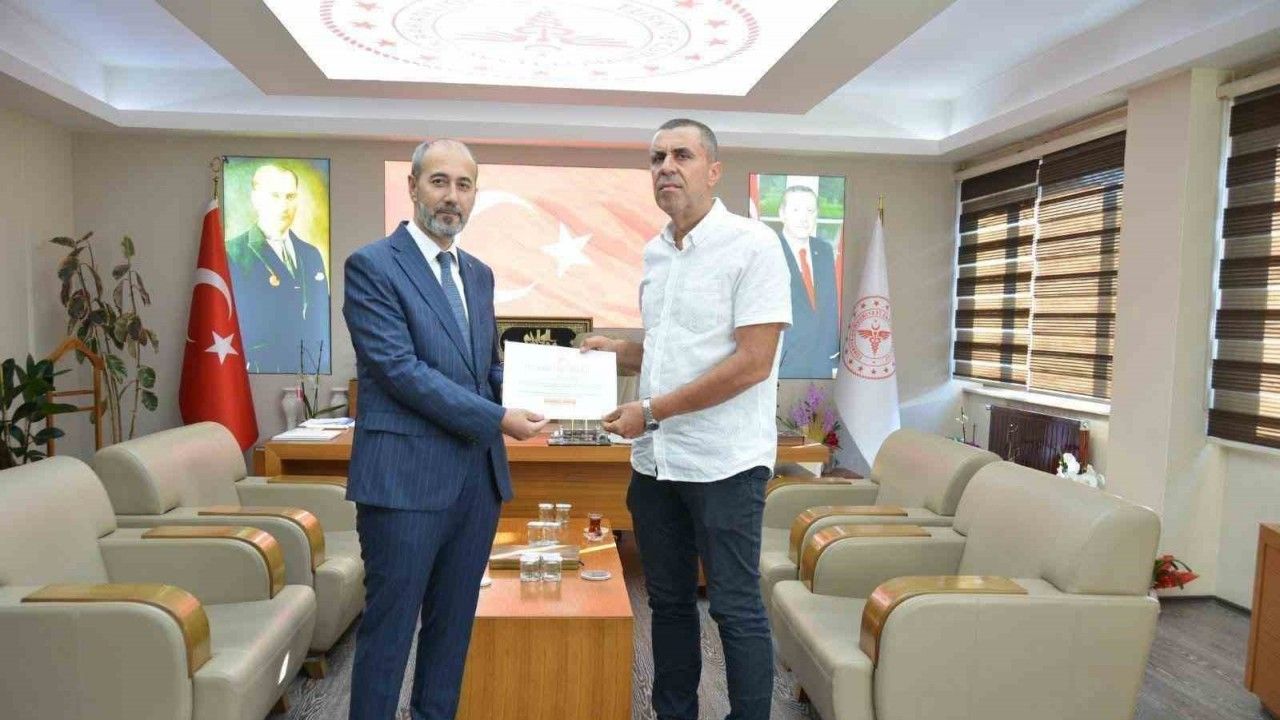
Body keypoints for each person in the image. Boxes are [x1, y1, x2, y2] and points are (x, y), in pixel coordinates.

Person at [585, 118, 791, 720]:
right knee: (668, 603)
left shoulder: (753, 245)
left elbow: (753, 363)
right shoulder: (655, 252)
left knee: (734, 607)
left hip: (725, 463)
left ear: (714, 171)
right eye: (656, 158)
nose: (666, 167)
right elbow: (673, 353)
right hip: (657, 465)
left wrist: (650, 410)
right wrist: (618, 351)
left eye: (682, 155)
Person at [342, 139, 548, 720]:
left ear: (475, 194)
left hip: (476, 484)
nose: (451, 197)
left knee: (452, 632)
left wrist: (553, 386)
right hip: (403, 486)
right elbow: (400, 371)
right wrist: (498, 418)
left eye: (463, 185)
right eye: (439, 182)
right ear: (412, 187)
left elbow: (487, 369)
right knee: (389, 636)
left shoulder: (478, 274)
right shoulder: (373, 266)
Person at [226, 163, 331, 373]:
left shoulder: (311, 254)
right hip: (259, 372)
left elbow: (321, 319)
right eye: (275, 196)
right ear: (256, 199)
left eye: (290, 196)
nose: (284, 205)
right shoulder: (233, 253)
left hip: (309, 370)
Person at [776, 185, 839, 379]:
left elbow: (830, 306)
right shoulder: (769, 250)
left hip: (821, 362)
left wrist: (834, 358)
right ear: (782, 214)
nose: (804, 218)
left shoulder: (824, 250)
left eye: (810, 211)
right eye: (796, 210)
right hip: (782, 363)